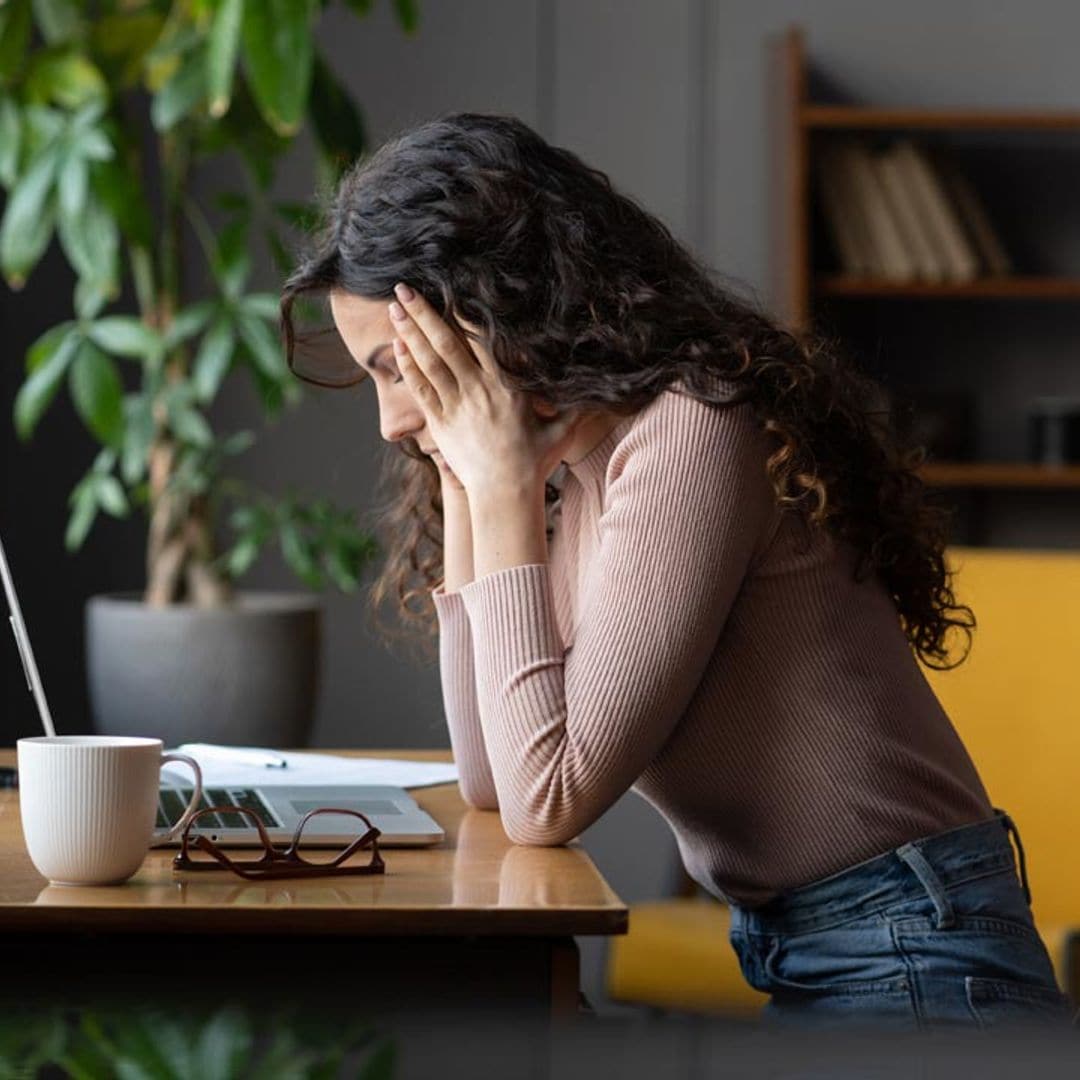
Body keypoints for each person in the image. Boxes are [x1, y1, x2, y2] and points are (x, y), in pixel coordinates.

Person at [280, 112, 1075, 1033]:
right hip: (831, 952)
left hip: (919, 958)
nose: (388, 421)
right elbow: (492, 776)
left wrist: (494, 483)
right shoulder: (569, 469)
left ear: (489, 315)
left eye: (398, 368)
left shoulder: (690, 428)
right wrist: (468, 483)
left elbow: (547, 801)